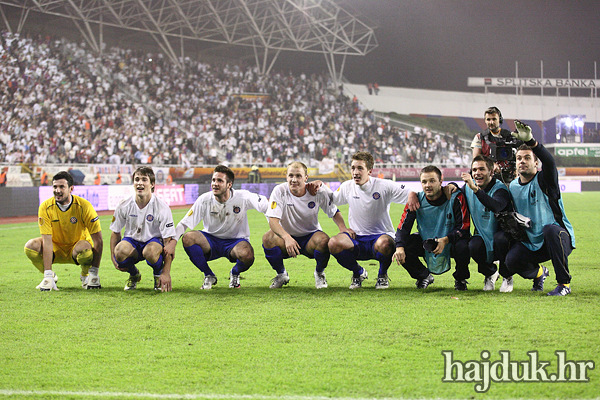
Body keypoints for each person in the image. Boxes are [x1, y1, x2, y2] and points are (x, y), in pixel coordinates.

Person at [314, 151, 419, 289]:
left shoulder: (384, 185)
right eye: (353, 168)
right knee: (333, 243)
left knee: (386, 243)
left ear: (369, 171)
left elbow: (412, 190)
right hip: (356, 238)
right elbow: (333, 199)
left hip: (380, 238)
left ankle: (382, 275)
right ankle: (358, 273)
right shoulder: (347, 186)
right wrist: (320, 185)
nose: (355, 172)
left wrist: (412, 194)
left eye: (360, 168)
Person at [164, 165, 268, 289]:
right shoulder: (204, 200)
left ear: (229, 185)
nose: (215, 184)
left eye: (220, 181)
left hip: (235, 241)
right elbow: (184, 223)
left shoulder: (242, 197)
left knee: (247, 255)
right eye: (214, 180)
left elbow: (265, 205)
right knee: (188, 238)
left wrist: (274, 224)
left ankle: (234, 273)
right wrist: (173, 242)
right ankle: (209, 275)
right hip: (210, 240)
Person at [505, 121, 575, 296]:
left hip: (558, 237)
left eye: (527, 158)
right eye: (519, 158)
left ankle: (564, 284)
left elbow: (550, 163)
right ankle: (539, 274)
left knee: (551, 230)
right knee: (511, 261)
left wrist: (532, 143)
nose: (522, 161)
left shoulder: (546, 180)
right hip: (533, 242)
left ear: (536, 163)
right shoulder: (512, 186)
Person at [263, 161, 351, 289]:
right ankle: (281, 274)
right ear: (286, 177)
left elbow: (334, 211)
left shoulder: (316, 191)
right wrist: (287, 238)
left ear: (306, 178)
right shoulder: (279, 190)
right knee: (268, 238)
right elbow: (273, 220)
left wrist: (343, 229)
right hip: (286, 238)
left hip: (310, 237)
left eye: (298, 176)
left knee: (324, 240)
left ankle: (319, 273)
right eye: (291, 176)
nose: (294, 180)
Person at [394, 166, 471, 290]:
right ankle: (423, 276)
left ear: (441, 182)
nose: (428, 185)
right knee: (401, 244)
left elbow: (464, 227)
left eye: (432, 181)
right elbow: (403, 228)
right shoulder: (416, 200)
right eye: (424, 182)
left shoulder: (455, 197)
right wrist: (399, 247)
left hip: (450, 241)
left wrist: (446, 240)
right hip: (427, 241)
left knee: (463, 246)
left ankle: (460, 279)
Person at [24, 171, 103, 291]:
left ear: (71, 188)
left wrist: (94, 272)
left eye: (62, 187)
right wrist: (48, 274)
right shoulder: (45, 207)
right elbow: (47, 241)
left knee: (86, 249)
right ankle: (52, 277)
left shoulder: (84, 206)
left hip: (77, 248)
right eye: (55, 186)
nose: (57, 190)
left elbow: (98, 241)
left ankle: (85, 275)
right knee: (30, 246)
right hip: (55, 248)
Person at [110, 167, 176, 292]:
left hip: (153, 243)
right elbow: (115, 231)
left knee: (150, 252)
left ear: (152, 184)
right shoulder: (124, 205)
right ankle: (134, 275)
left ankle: (157, 274)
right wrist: (113, 258)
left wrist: (166, 272)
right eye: (137, 179)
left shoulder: (162, 207)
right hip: (132, 242)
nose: (140, 183)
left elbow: (168, 241)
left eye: (144, 180)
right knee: (118, 251)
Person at [459, 155, 515, 292]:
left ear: (491, 172)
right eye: (474, 169)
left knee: (500, 239)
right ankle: (490, 273)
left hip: (503, 234)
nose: (477, 173)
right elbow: (455, 195)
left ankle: (507, 276)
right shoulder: (468, 187)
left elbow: (496, 205)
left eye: (482, 169)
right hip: (482, 235)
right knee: (473, 245)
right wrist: (451, 186)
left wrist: (476, 190)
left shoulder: (500, 189)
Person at [471, 106, 522, 183]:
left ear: (500, 120)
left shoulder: (510, 136)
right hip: (487, 179)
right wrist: (492, 164)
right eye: (488, 119)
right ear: (485, 121)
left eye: (494, 119)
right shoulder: (479, 137)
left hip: (509, 178)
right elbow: (476, 160)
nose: (491, 122)